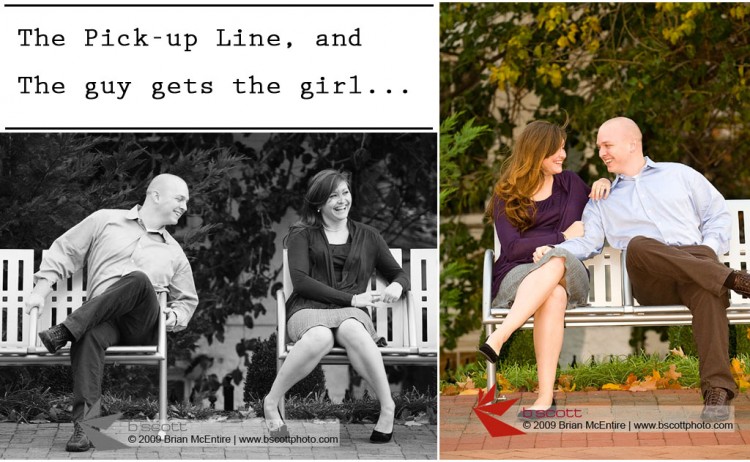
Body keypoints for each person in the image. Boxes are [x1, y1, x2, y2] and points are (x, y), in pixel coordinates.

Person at [537, 116, 750, 422]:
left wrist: (710, 252)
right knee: (639, 244)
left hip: (697, 269)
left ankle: (717, 391)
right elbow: (589, 242)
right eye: (599, 147)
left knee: (708, 290)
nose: (601, 153)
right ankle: (732, 279)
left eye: (606, 145)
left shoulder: (679, 175)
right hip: (651, 278)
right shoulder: (602, 198)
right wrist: (555, 250)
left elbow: (716, 214)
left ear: (632, 144)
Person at [25, 174, 199, 451]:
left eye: (186, 202)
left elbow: (187, 301)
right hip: (102, 320)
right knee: (88, 333)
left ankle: (65, 330)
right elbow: (65, 252)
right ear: (155, 195)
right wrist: (40, 291)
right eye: (179, 199)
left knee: (139, 279)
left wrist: (173, 317)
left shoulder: (174, 252)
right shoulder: (104, 220)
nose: (184, 207)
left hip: (140, 325)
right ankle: (87, 428)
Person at [263, 169, 409, 443]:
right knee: (319, 335)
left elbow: (398, 274)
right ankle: (271, 402)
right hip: (307, 308)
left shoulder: (369, 236)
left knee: (354, 328)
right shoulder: (301, 233)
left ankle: (387, 407)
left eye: (345, 193)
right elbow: (302, 281)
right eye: (333, 196)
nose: (342, 200)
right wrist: (352, 299)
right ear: (318, 203)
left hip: (351, 315)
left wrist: (397, 285)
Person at [479, 120, 611, 416]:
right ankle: (545, 398)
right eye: (555, 149)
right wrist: (561, 237)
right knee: (554, 295)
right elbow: (512, 248)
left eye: (563, 148)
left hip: (568, 270)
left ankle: (500, 335)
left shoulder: (572, 184)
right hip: (517, 274)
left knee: (558, 258)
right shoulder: (506, 194)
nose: (562, 154)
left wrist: (607, 183)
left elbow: (606, 208)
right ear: (535, 152)